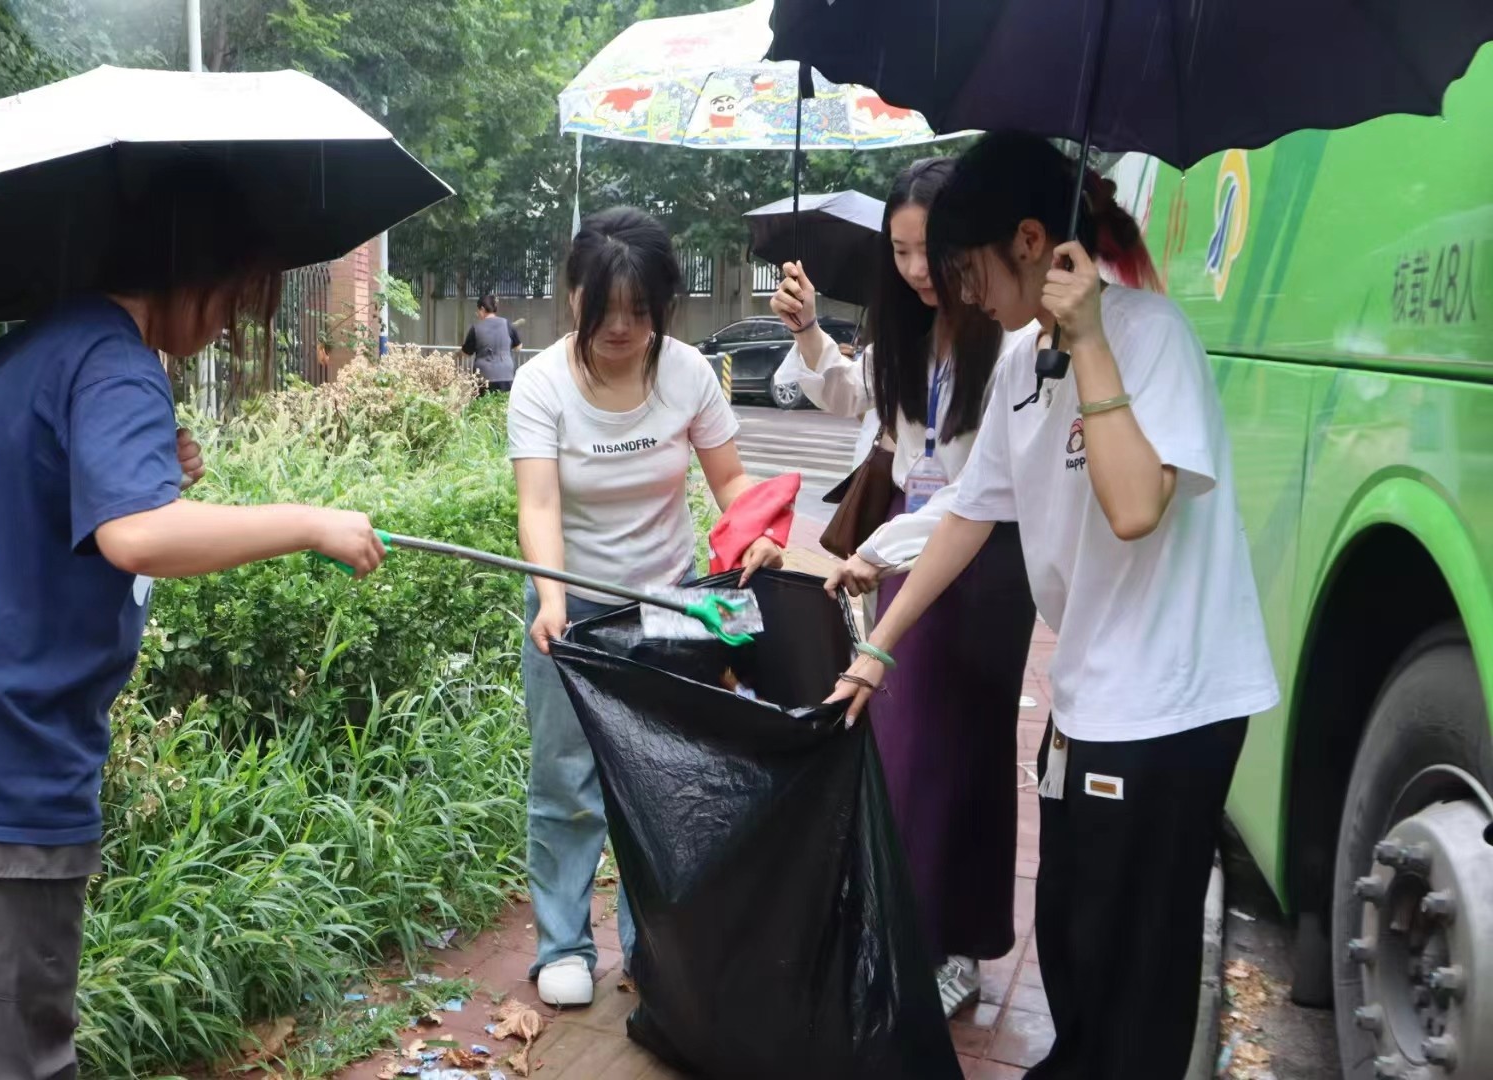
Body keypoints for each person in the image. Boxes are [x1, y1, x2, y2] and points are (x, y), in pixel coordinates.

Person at [0, 173, 388, 1079]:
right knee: (8, 1056)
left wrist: (146, 469)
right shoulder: (115, 360)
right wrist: (310, 523)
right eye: (235, 298)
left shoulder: (41, 345)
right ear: (190, 272)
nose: (230, 325)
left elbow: (39, 499)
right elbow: (138, 537)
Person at [830, 132, 1278, 1079]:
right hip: (1089, 693)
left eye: (967, 269)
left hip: (1171, 704)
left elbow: (1133, 508)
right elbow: (968, 511)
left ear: (1032, 241)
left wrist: (1093, 343)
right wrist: (880, 649)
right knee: (1072, 928)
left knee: (1134, 956)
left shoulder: (1150, 339)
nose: (961, 293)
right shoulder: (1020, 367)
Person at [768, 156, 1038, 1017]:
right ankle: (905, 931)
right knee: (904, 756)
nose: (919, 269)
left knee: (962, 757)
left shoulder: (1014, 343)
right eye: (901, 250)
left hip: (980, 571)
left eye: (933, 250)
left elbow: (983, 496)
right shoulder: (909, 338)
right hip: (904, 567)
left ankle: (954, 944)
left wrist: (882, 548)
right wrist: (809, 331)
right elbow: (856, 397)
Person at [508, 206, 785, 1008]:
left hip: (668, 601)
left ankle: (650, 942)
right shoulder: (541, 383)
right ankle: (563, 946)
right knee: (565, 780)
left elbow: (730, 480)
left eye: (640, 310)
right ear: (573, 294)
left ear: (664, 305)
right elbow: (539, 505)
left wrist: (757, 533)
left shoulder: (688, 373)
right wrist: (551, 598)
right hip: (572, 606)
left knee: (660, 774)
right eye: (605, 309)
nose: (622, 328)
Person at [462, 294, 522, 392]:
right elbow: (518, 347)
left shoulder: (476, 328)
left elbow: (466, 353)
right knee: (504, 401)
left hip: (483, 377)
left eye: (478, 311)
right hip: (506, 375)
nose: (477, 314)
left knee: (483, 402)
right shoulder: (507, 324)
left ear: (482, 309)